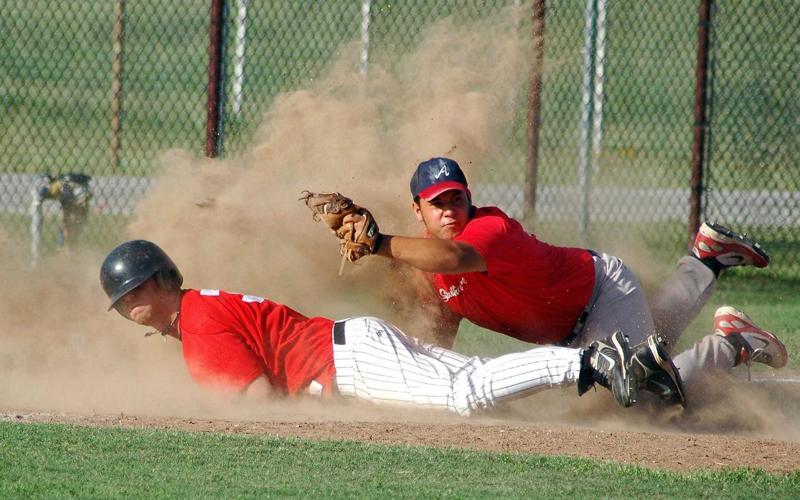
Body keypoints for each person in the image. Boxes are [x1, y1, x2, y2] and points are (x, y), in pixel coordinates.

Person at [338, 157, 788, 404]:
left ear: (470, 199)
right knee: (656, 336)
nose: (449, 210)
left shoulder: (489, 231)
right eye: (437, 203)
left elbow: (456, 257)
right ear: (418, 210)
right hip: (579, 322)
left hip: (600, 294)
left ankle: (733, 344)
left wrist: (377, 242)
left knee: (640, 398)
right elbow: (439, 335)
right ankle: (705, 261)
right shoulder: (427, 266)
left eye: (457, 198)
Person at [99, 239, 684, 416]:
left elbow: (255, 402)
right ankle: (652, 365)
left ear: (155, 284)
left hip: (350, 360)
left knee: (465, 395)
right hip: (355, 344)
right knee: (477, 380)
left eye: (128, 297)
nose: (127, 309)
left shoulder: (198, 326)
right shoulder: (205, 303)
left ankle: (595, 361)